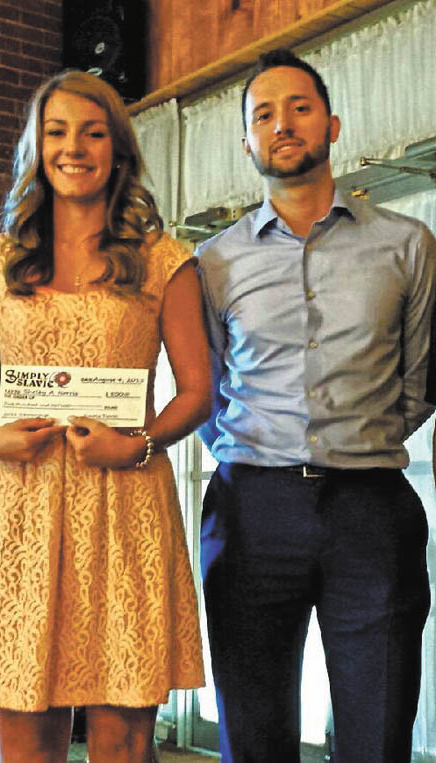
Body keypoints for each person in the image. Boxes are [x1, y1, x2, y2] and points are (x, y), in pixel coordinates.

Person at [0, 69, 210, 763]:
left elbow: (197, 389)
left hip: (127, 501)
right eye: (57, 132)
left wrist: (142, 444)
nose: (74, 147)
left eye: (94, 133)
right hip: (24, 500)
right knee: (25, 719)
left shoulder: (163, 260)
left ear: (119, 151)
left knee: (123, 734)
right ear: (35, 148)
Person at [196, 48, 436, 763]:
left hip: (371, 511)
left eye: (299, 107)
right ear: (246, 142)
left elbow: (420, 380)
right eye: (262, 114)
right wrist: (253, 455)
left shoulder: (407, 245)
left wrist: (359, 447)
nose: (282, 124)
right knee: (255, 732)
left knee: (378, 731)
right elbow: (202, 388)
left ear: (332, 123)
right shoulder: (213, 261)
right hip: (249, 514)